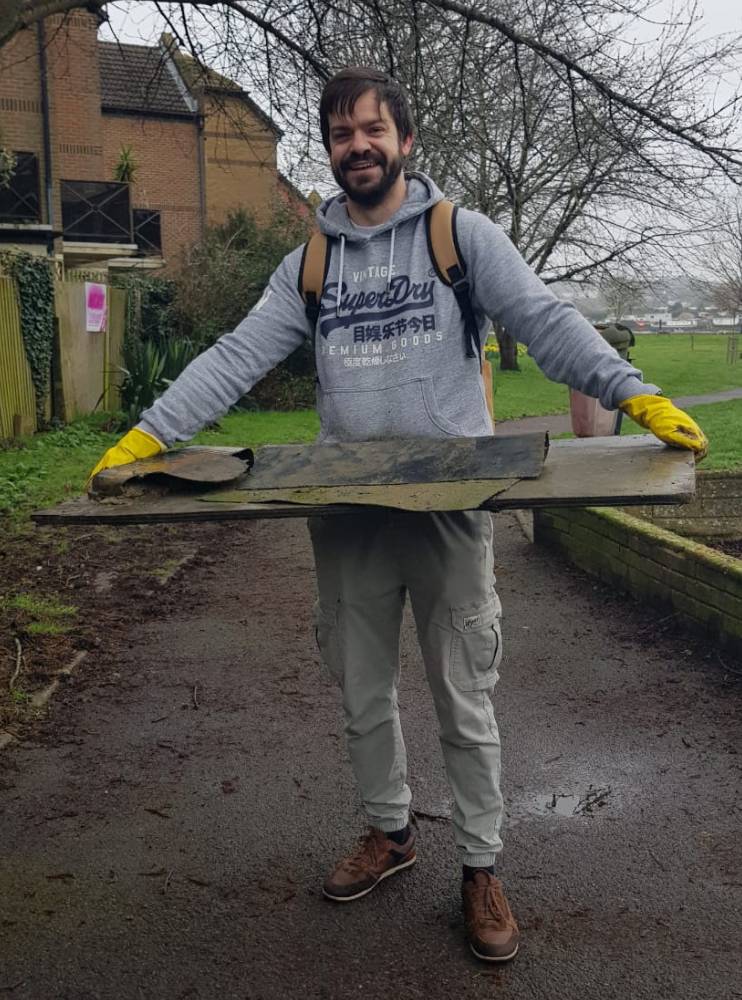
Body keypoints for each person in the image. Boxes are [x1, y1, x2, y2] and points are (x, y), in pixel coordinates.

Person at [90, 67, 707, 963]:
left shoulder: (461, 237)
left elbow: (541, 318)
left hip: (452, 508)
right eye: (342, 136)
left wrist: (634, 393)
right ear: (332, 151)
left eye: (373, 130)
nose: (358, 147)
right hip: (347, 513)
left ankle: (481, 866)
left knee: (465, 693)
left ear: (404, 140)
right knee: (360, 690)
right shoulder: (310, 262)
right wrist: (149, 436)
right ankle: (391, 833)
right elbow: (235, 357)